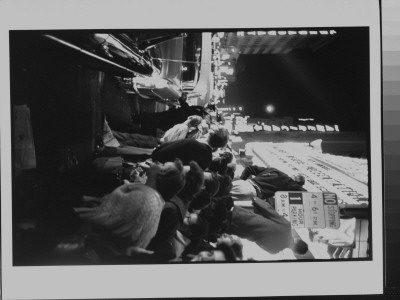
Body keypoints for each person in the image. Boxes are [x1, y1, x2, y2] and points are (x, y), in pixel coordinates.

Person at [227, 197, 309, 255]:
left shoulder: (286, 227)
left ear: (298, 240)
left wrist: (256, 200)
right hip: (236, 230)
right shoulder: (273, 250)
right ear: (294, 251)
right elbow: (258, 242)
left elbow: (269, 211)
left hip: (240, 215)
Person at [151, 125, 230, 170]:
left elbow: (161, 151)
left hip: (156, 166)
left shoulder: (193, 143)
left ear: (211, 133)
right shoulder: (208, 159)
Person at [230, 165, 306, 201]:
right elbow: (306, 193)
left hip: (241, 183)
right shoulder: (289, 183)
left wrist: (242, 180)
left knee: (219, 195)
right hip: (250, 192)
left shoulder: (274, 170)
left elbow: (249, 168)